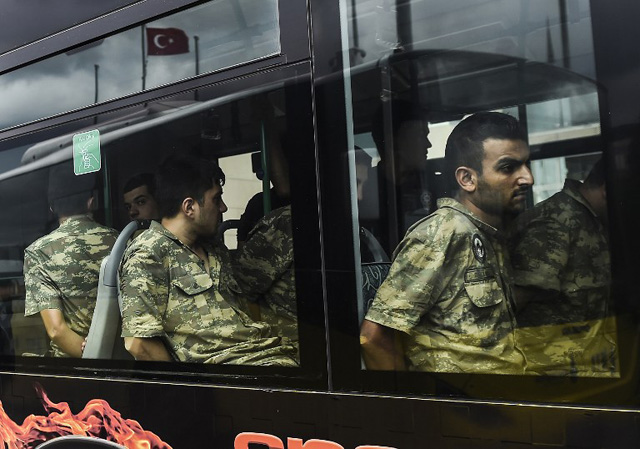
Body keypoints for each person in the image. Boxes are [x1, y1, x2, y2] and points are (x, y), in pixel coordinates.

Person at [360, 112, 533, 374]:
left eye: (526, 164)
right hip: (460, 407)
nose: (527, 178)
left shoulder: (489, 234)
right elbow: (375, 338)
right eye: (508, 167)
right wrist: (410, 410)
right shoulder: (442, 233)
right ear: (467, 179)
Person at [119, 154, 297, 366]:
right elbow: (139, 344)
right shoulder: (148, 254)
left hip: (264, 354)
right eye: (216, 199)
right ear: (189, 208)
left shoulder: (213, 248)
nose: (223, 208)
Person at [510, 158, 618, 376]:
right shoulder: (556, 220)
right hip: (555, 373)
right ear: (608, 190)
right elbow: (516, 302)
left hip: (593, 364)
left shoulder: (593, 218)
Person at [23, 164, 118, 357]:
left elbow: (56, 330)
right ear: (91, 202)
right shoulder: (119, 241)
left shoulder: (39, 252)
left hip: (73, 369)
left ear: (52, 207)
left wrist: (96, 361)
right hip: (124, 359)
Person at [231, 205, 297, 360]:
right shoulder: (284, 223)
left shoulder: (359, 228)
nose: (360, 196)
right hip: (290, 347)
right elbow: (240, 287)